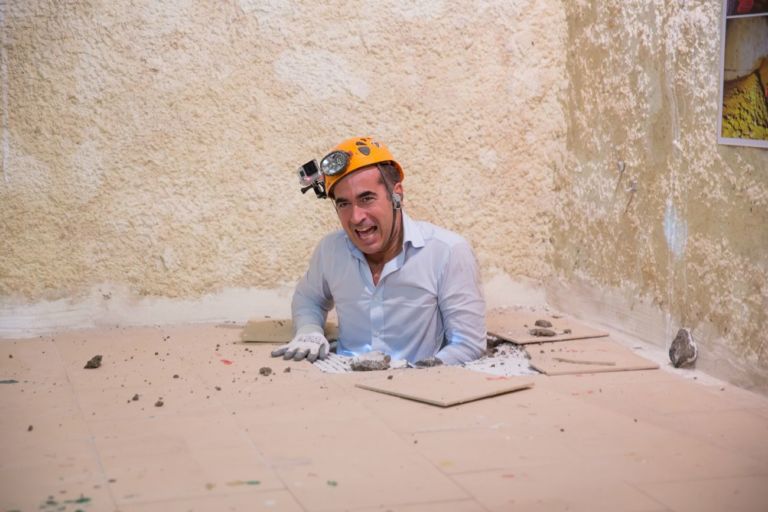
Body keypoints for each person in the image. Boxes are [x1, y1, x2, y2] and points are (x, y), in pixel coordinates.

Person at [271, 136, 486, 365]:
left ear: (397, 195)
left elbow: (468, 344)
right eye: (343, 204)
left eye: (367, 198)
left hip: (421, 387)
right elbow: (308, 298)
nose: (356, 217)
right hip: (343, 384)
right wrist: (309, 330)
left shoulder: (447, 252)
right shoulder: (330, 251)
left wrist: (419, 372)